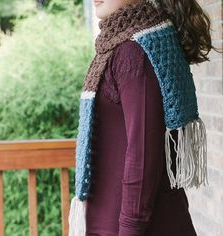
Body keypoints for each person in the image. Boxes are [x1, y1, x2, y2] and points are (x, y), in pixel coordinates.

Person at [68, 0, 220, 235]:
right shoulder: (120, 46)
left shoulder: (135, 51)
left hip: (136, 227)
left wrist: (129, 230)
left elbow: (142, 157)